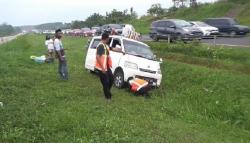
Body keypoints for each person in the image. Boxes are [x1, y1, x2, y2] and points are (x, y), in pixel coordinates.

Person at [96, 32, 124, 100]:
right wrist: (102, 68)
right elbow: (97, 57)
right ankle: (108, 97)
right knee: (106, 82)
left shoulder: (106, 45)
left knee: (111, 79)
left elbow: (112, 48)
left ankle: (107, 91)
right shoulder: (100, 46)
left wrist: (121, 51)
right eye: (108, 38)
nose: (109, 39)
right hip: (101, 68)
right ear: (106, 38)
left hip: (107, 67)